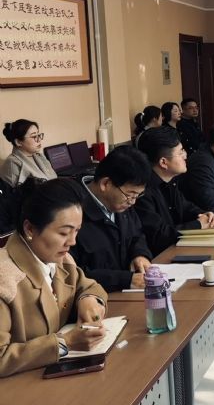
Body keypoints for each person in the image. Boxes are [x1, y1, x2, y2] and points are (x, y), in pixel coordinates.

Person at [0, 178, 108, 377]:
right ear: (30, 229)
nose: (72, 241)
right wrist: (65, 343)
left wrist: (89, 300)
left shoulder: (59, 258)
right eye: (64, 232)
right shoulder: (5, 279)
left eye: (76, 231)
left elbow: (87, 286)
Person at [70, 146, 154, 292]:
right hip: (92, 298)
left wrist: (140, 255)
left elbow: (136, 235)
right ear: (105, 184)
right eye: (130, 195)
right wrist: (125, 280)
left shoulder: (121, 203)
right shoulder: (72, 211)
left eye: (138, 195)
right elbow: (72, 272)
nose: (133, 201)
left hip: (129, 293)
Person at [135, 127, 214, 256]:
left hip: (178, 249)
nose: (185, 156)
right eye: (180, 153)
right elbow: (159, 236)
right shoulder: (142, 192)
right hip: (159, 258)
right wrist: (197, 224)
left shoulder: (171, 181)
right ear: (163, 162)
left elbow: (186, 208)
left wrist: (206, 215)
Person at [0, 119, 57, 186]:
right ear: (18, 142)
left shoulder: (40, 156)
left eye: (38, 134)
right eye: (34, 136)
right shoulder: (12, 164)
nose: (39, 139)